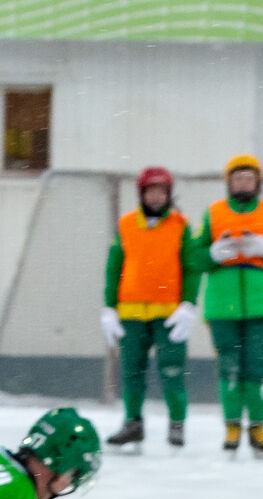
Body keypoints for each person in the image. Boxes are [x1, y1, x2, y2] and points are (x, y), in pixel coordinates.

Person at [200, 153, 263, 455]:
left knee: (260, 368)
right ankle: (232, 425)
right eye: (238, 178)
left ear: (258, 182)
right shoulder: (213, 213)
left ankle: (258, 426)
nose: (243, 183)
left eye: (249, 178)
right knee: (229, 367)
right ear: (228, 182)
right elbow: (193, 257)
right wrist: (213, 253)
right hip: (222, 304)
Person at [102, 166, 202, 449]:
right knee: (131, 371)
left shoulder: (181, 225)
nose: (156, 197)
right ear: (141, 193)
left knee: (172, 370)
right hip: (131, 312)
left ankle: (177, 424)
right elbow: (114, 266)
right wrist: (109, 307)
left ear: (169, 194)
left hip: (169, 313)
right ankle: (132, 423)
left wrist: (188, 304)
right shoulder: (126, 224)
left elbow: (191, 267)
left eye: (161, 191)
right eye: (150, 191)